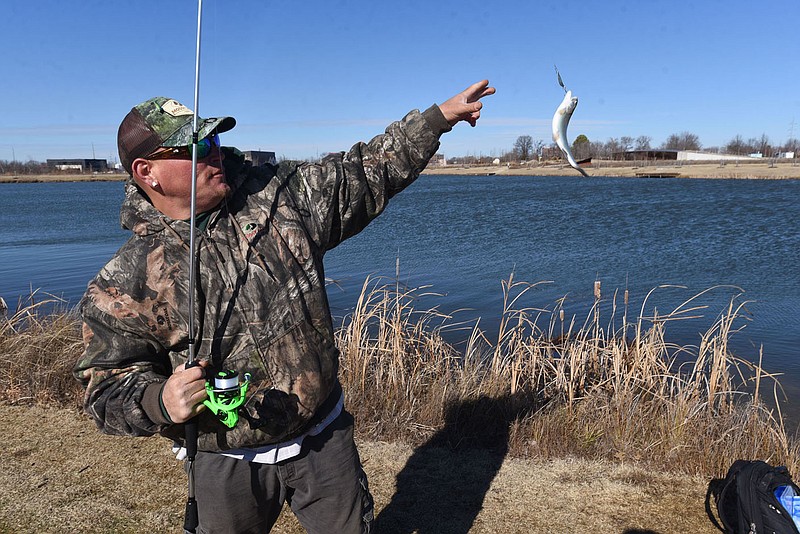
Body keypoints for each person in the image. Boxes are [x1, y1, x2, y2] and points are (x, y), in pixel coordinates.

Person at [73, 80, 495, 533]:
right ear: (146, 171)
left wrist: (437, 120)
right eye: (195, 147)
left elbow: (364, 171)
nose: (214, 152)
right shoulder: (124, 282)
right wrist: (160, 400)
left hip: (323, 438)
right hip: (225, 462)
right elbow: (105, 390)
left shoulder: (279, 198)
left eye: (213, 139)